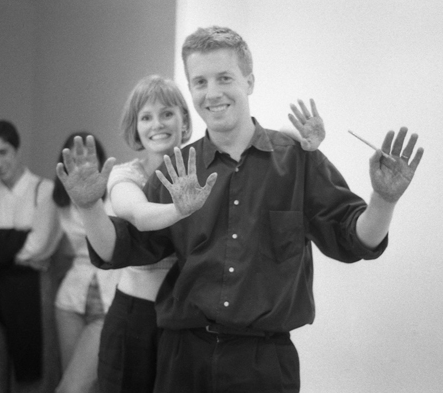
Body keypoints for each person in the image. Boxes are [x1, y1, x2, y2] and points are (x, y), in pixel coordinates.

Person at [59, 25, 424, 393]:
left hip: (264, 365)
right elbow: (123, 247)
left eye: (224, 78)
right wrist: (88, 207)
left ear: (249, 81)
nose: (212, 93)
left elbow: (354, 239)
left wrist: (384, 199)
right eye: (199, 82)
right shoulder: (179, 167)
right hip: (183, 360)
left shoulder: (298, 160)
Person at [57, 73, 322, 393]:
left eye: (167, 113)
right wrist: (179, 210)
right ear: (135, 127)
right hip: (137, 318)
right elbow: (140, 216)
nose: (158, 124)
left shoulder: (205, 166)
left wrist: (300, 137)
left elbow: (254, 139)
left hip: (186, 327)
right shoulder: (127, 175)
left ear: (184, 120)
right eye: (146, 117)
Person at [0, 120, 62, 393]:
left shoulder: (43, 190)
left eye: (3, 152)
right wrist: (19, 243)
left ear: (16, 150)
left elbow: (39, 245)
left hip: (33, 290)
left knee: (33, 369)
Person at [52, 132, 121, 393]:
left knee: (73, 388)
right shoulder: (59, 202)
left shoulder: (118, 192)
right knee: (78, 384)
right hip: (70, 301)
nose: (81, 162)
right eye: (73, 157)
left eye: (86, 156)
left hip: (109, 301)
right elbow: (45, 245)